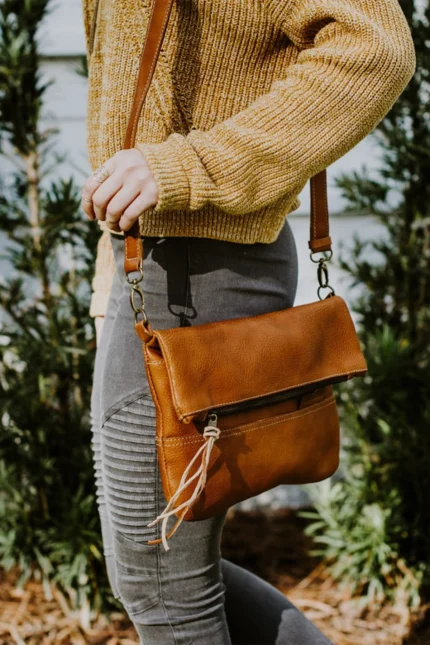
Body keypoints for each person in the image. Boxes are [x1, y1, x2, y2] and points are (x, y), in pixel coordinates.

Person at [80, 1, 415, 643]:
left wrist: (191, 165)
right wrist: (108, 279)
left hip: (201, 270)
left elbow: (377, 47)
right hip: (147, 264)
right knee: (147, 572)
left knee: (161, 582)